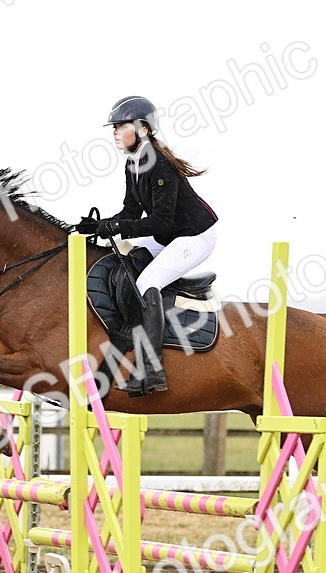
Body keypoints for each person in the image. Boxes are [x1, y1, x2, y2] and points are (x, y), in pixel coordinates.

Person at [76, 95, 218, 397]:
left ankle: (153, 371)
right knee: (130, 261)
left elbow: (160, 223)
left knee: (148, 281)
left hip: (195, 236)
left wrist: (114, 226)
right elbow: (131, 214)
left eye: (120, 127)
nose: (115, 133)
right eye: (113, 128)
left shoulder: (160, 164)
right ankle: (128, 337)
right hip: (168, 236)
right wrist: (100, 226)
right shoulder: (133, 163)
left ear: (142, 129)